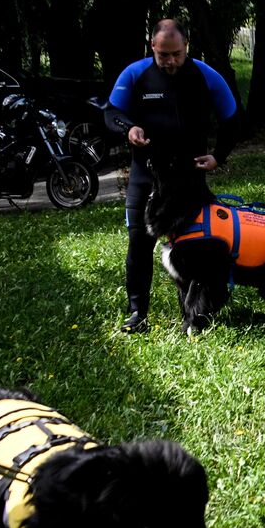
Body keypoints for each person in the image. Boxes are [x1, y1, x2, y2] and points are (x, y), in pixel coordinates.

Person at [104, 19, 239, 333]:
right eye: (163, 55)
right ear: (153, 47)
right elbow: (111, 113)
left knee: (197, 248)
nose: (170, 61)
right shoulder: (136, 75)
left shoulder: (206, 76)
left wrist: (218, 156)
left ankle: (196, 316)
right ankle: (138, 313)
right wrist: (130, 128)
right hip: (145, 177)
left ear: (186, 46)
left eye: (176, 54)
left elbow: (233, 120)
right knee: (139, 243)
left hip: (189, 180)